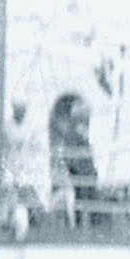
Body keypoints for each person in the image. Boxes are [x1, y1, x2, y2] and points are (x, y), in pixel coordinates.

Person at [47, 91, 100, 225]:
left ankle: (89, 221)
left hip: (84, 166)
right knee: (71, 197)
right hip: (72, 166)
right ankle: (74, 222)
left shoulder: (81, 130)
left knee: (88, 194)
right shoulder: (67, 130)